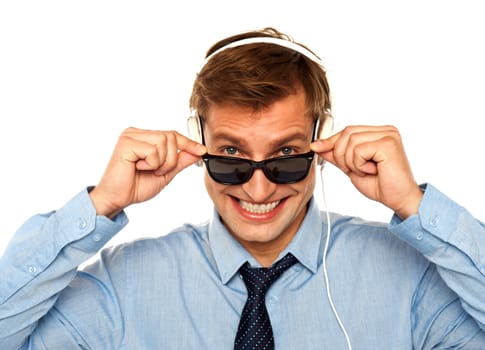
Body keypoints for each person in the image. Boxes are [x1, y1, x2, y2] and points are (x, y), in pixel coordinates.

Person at [0, 26, 484, 350]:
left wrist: (415, 206)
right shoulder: (122, 285)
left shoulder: (409, 279)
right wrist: (100, 205)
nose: (257, 188)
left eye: (285, 158)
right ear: (200, 143)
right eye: (231, 157)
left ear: (320, 142)